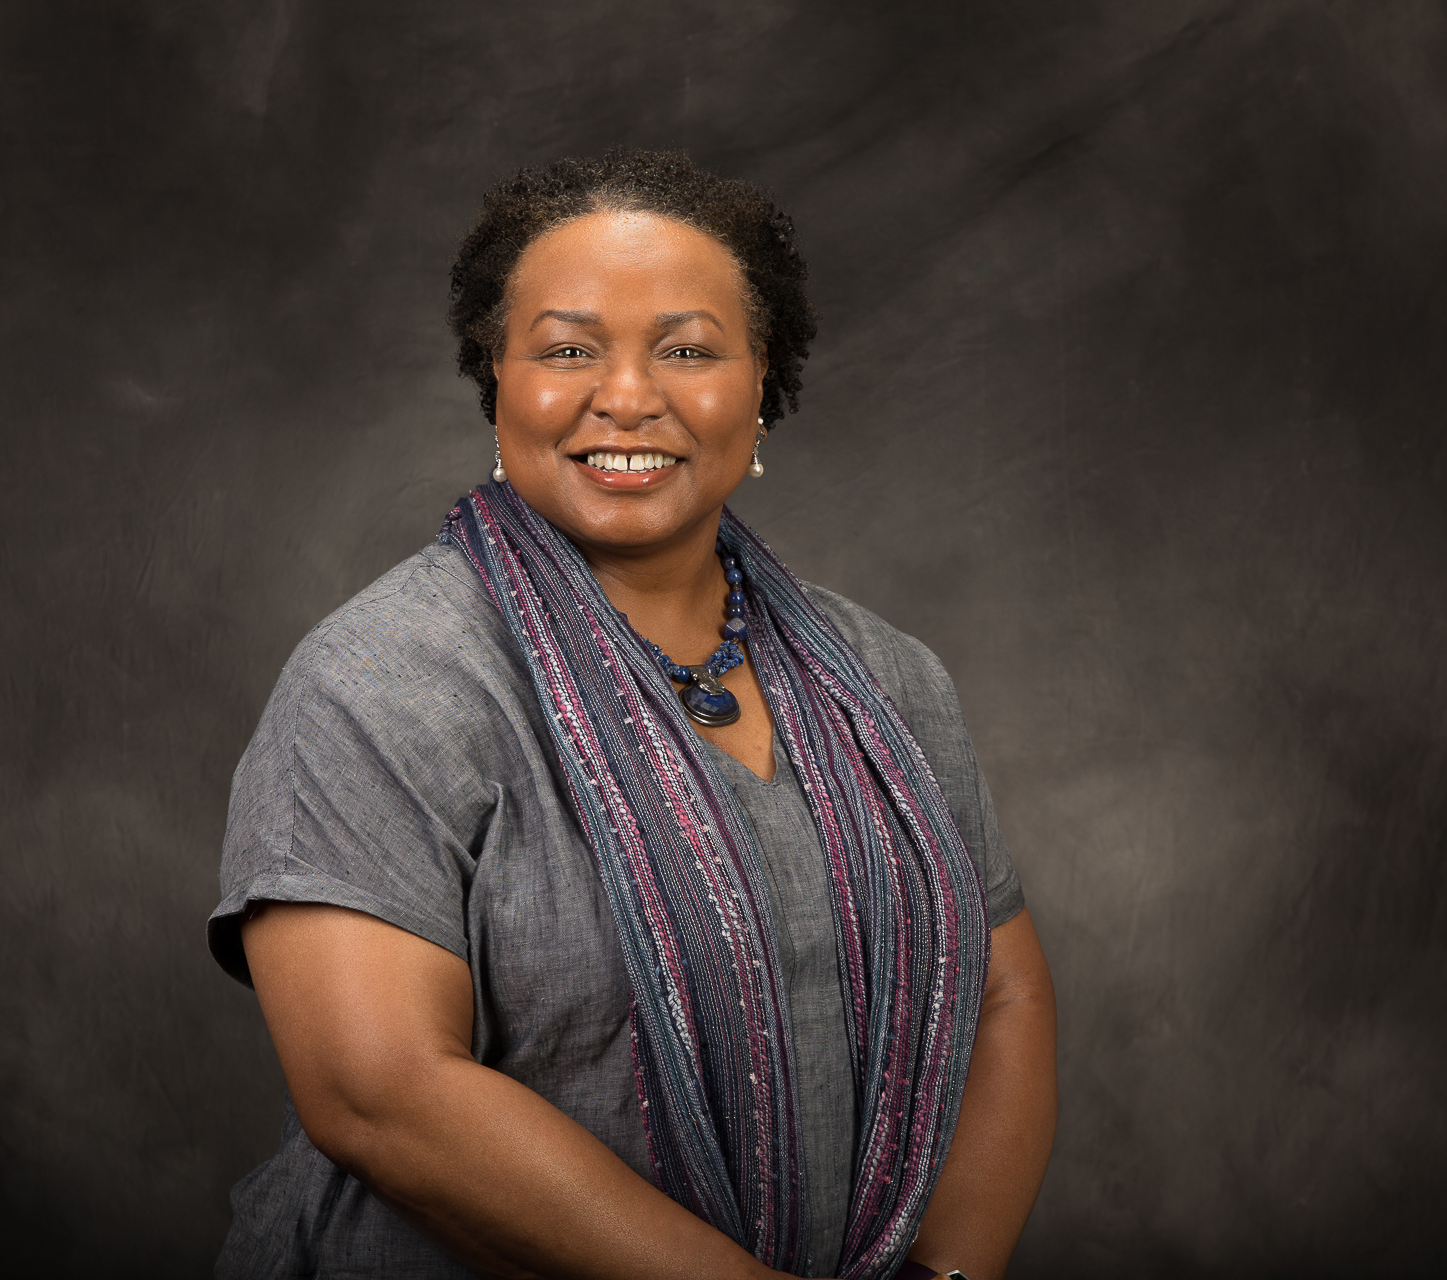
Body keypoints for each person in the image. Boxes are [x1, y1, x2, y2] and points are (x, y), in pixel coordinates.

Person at [209, 149, 1056, 1280]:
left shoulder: (888, 680)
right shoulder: (380, 680)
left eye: (688, 350)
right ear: (497, 379)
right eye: (567, 349)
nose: (627, 396)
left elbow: (1003, 991)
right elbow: (381, 1094)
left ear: (761, 387)